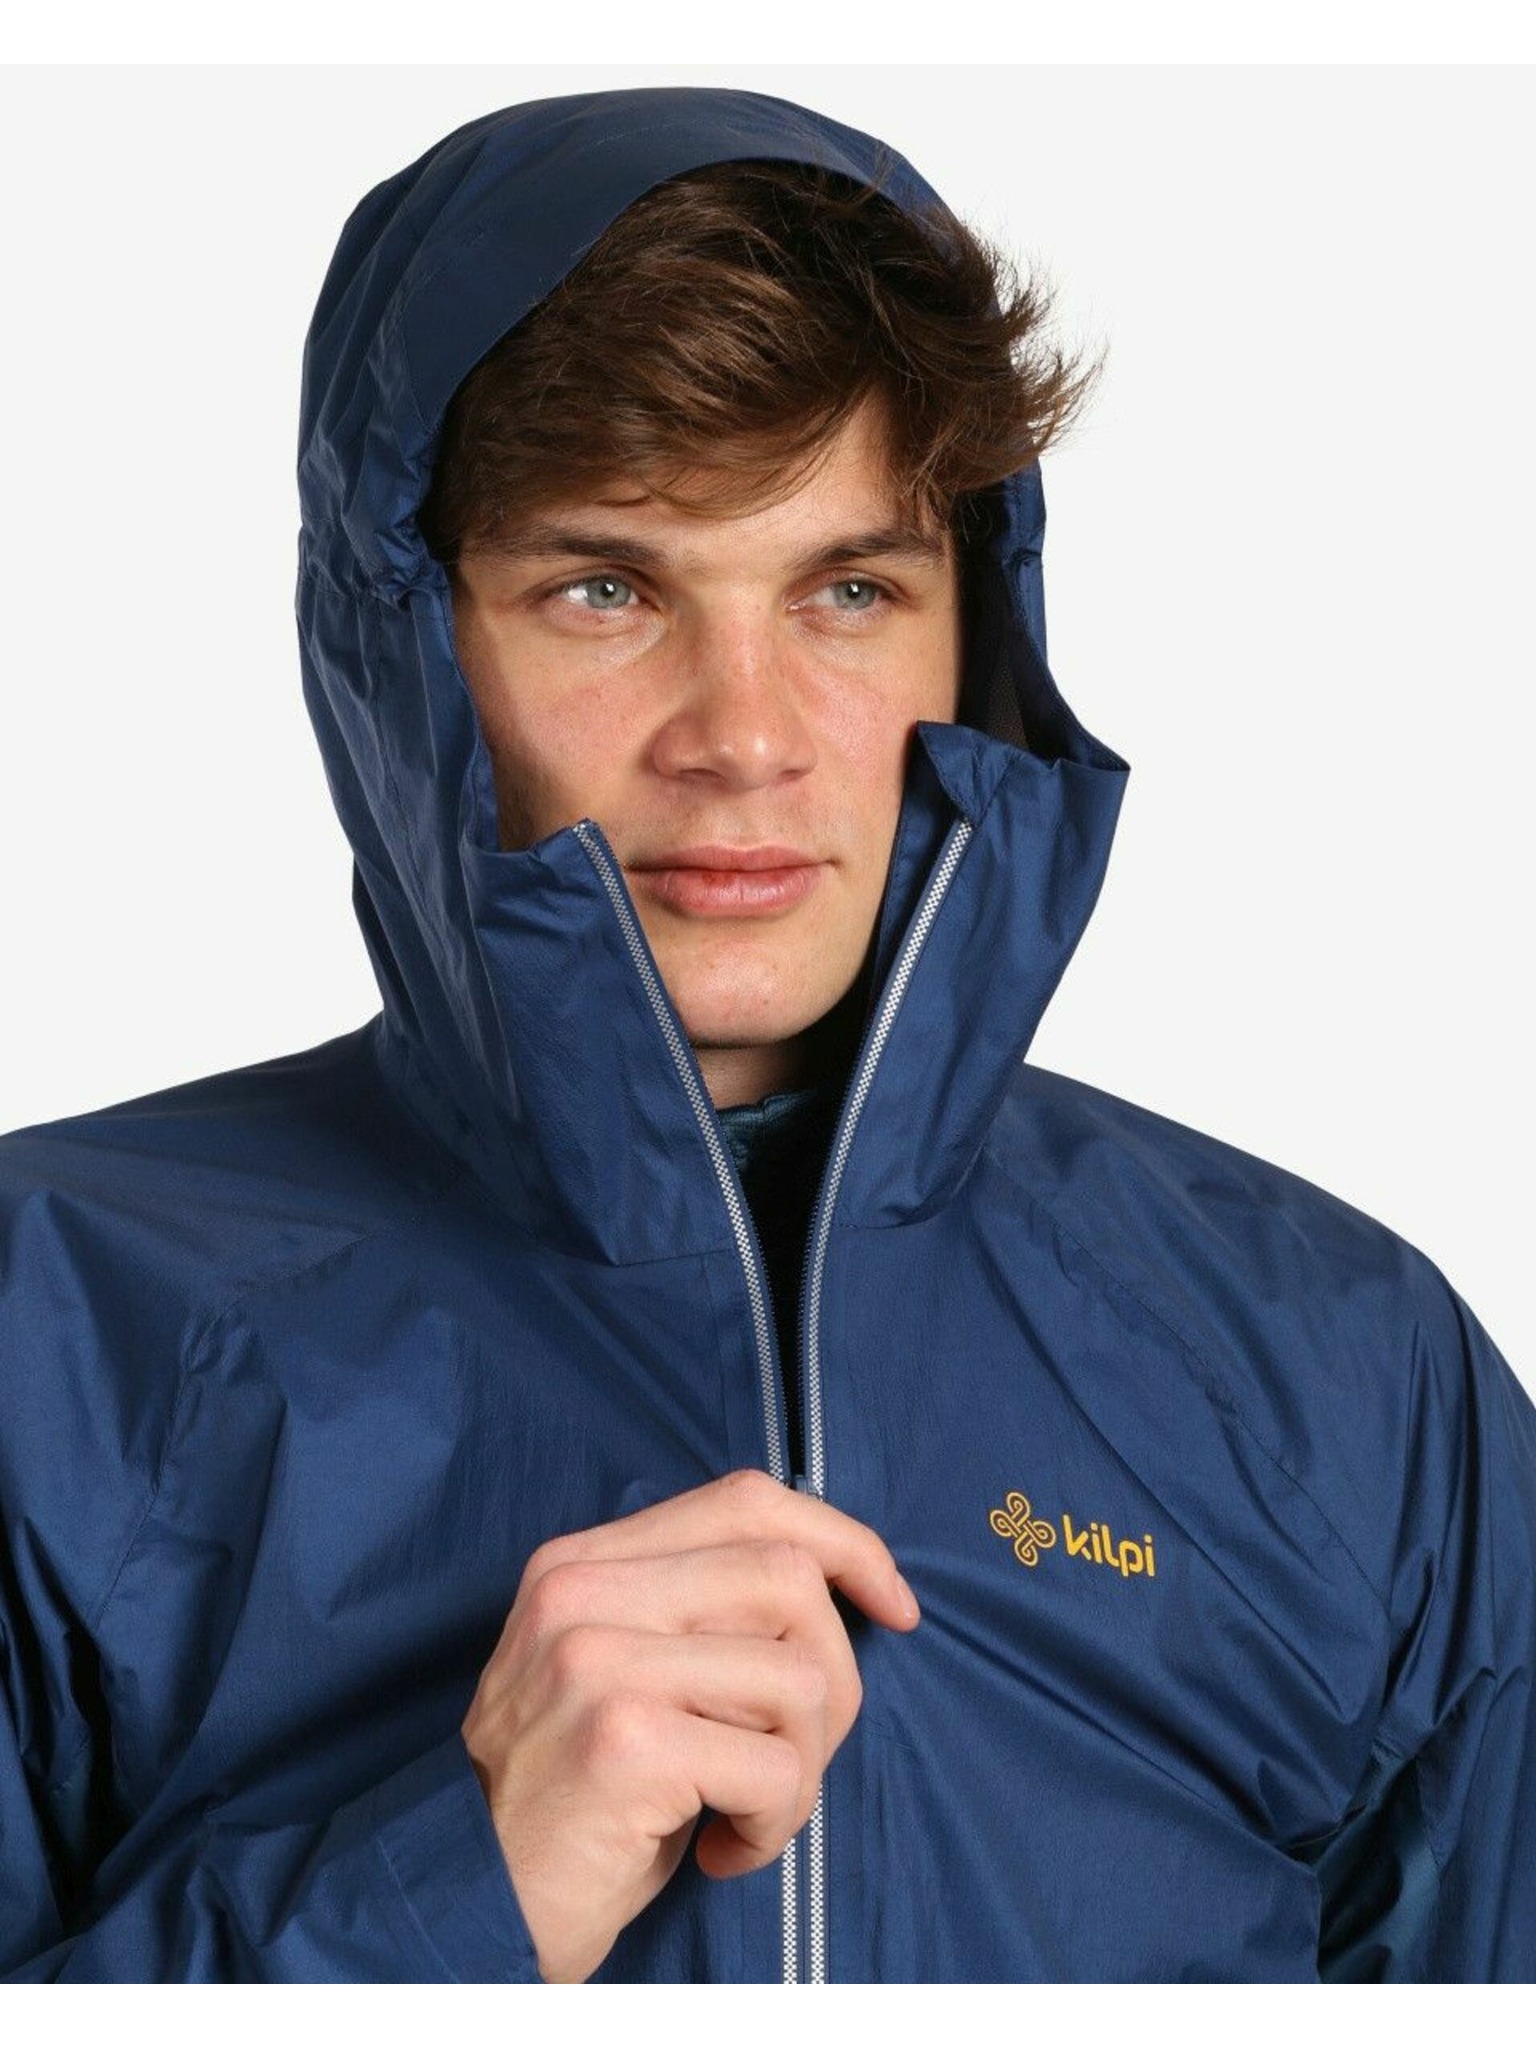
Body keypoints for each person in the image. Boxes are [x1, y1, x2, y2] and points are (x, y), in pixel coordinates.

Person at [1, 85, 1532, 1986]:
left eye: (850, 592)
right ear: (402, 650)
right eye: (605, 589)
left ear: (973, 640)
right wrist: (450, 1899)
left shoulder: (1349, 1371)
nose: (743, 735)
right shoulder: (51, 1326)